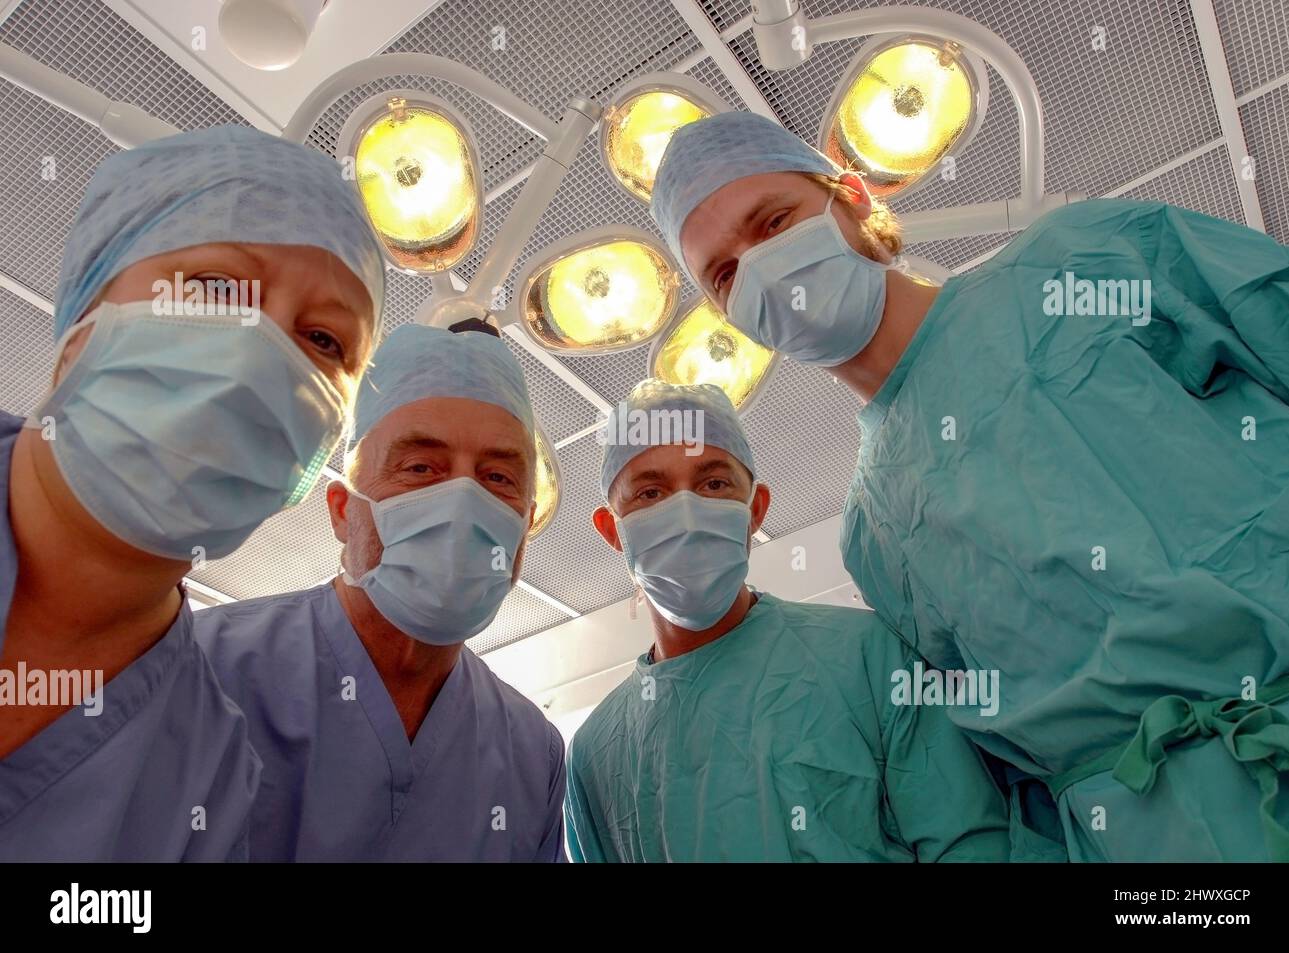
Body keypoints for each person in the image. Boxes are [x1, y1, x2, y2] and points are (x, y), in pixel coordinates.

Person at [650, 109, 1289, 861]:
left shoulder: (1076, 263)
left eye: (773, 221)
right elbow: (996, 769)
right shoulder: (871, 531)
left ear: (853, 199)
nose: (760, 268)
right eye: (726, 273)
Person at [0, 124, 386, 860]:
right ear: (83, 324)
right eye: (215, 287)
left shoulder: (207, 780)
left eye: (325, 341)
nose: (257, 352)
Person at [564, 379, 1010, 862]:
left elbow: (970, 844)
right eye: (650, 492)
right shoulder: (594, 752)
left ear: (754, 509)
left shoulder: (870, 658)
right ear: (613, 530)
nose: (686, 512)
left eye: (714, 484)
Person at [195, 322, 566, 861]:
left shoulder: (532, 751)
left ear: (525, 528)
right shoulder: (201, 668)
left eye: (498, 478)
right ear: (343, 511)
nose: (461, 500)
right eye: (420, 468)